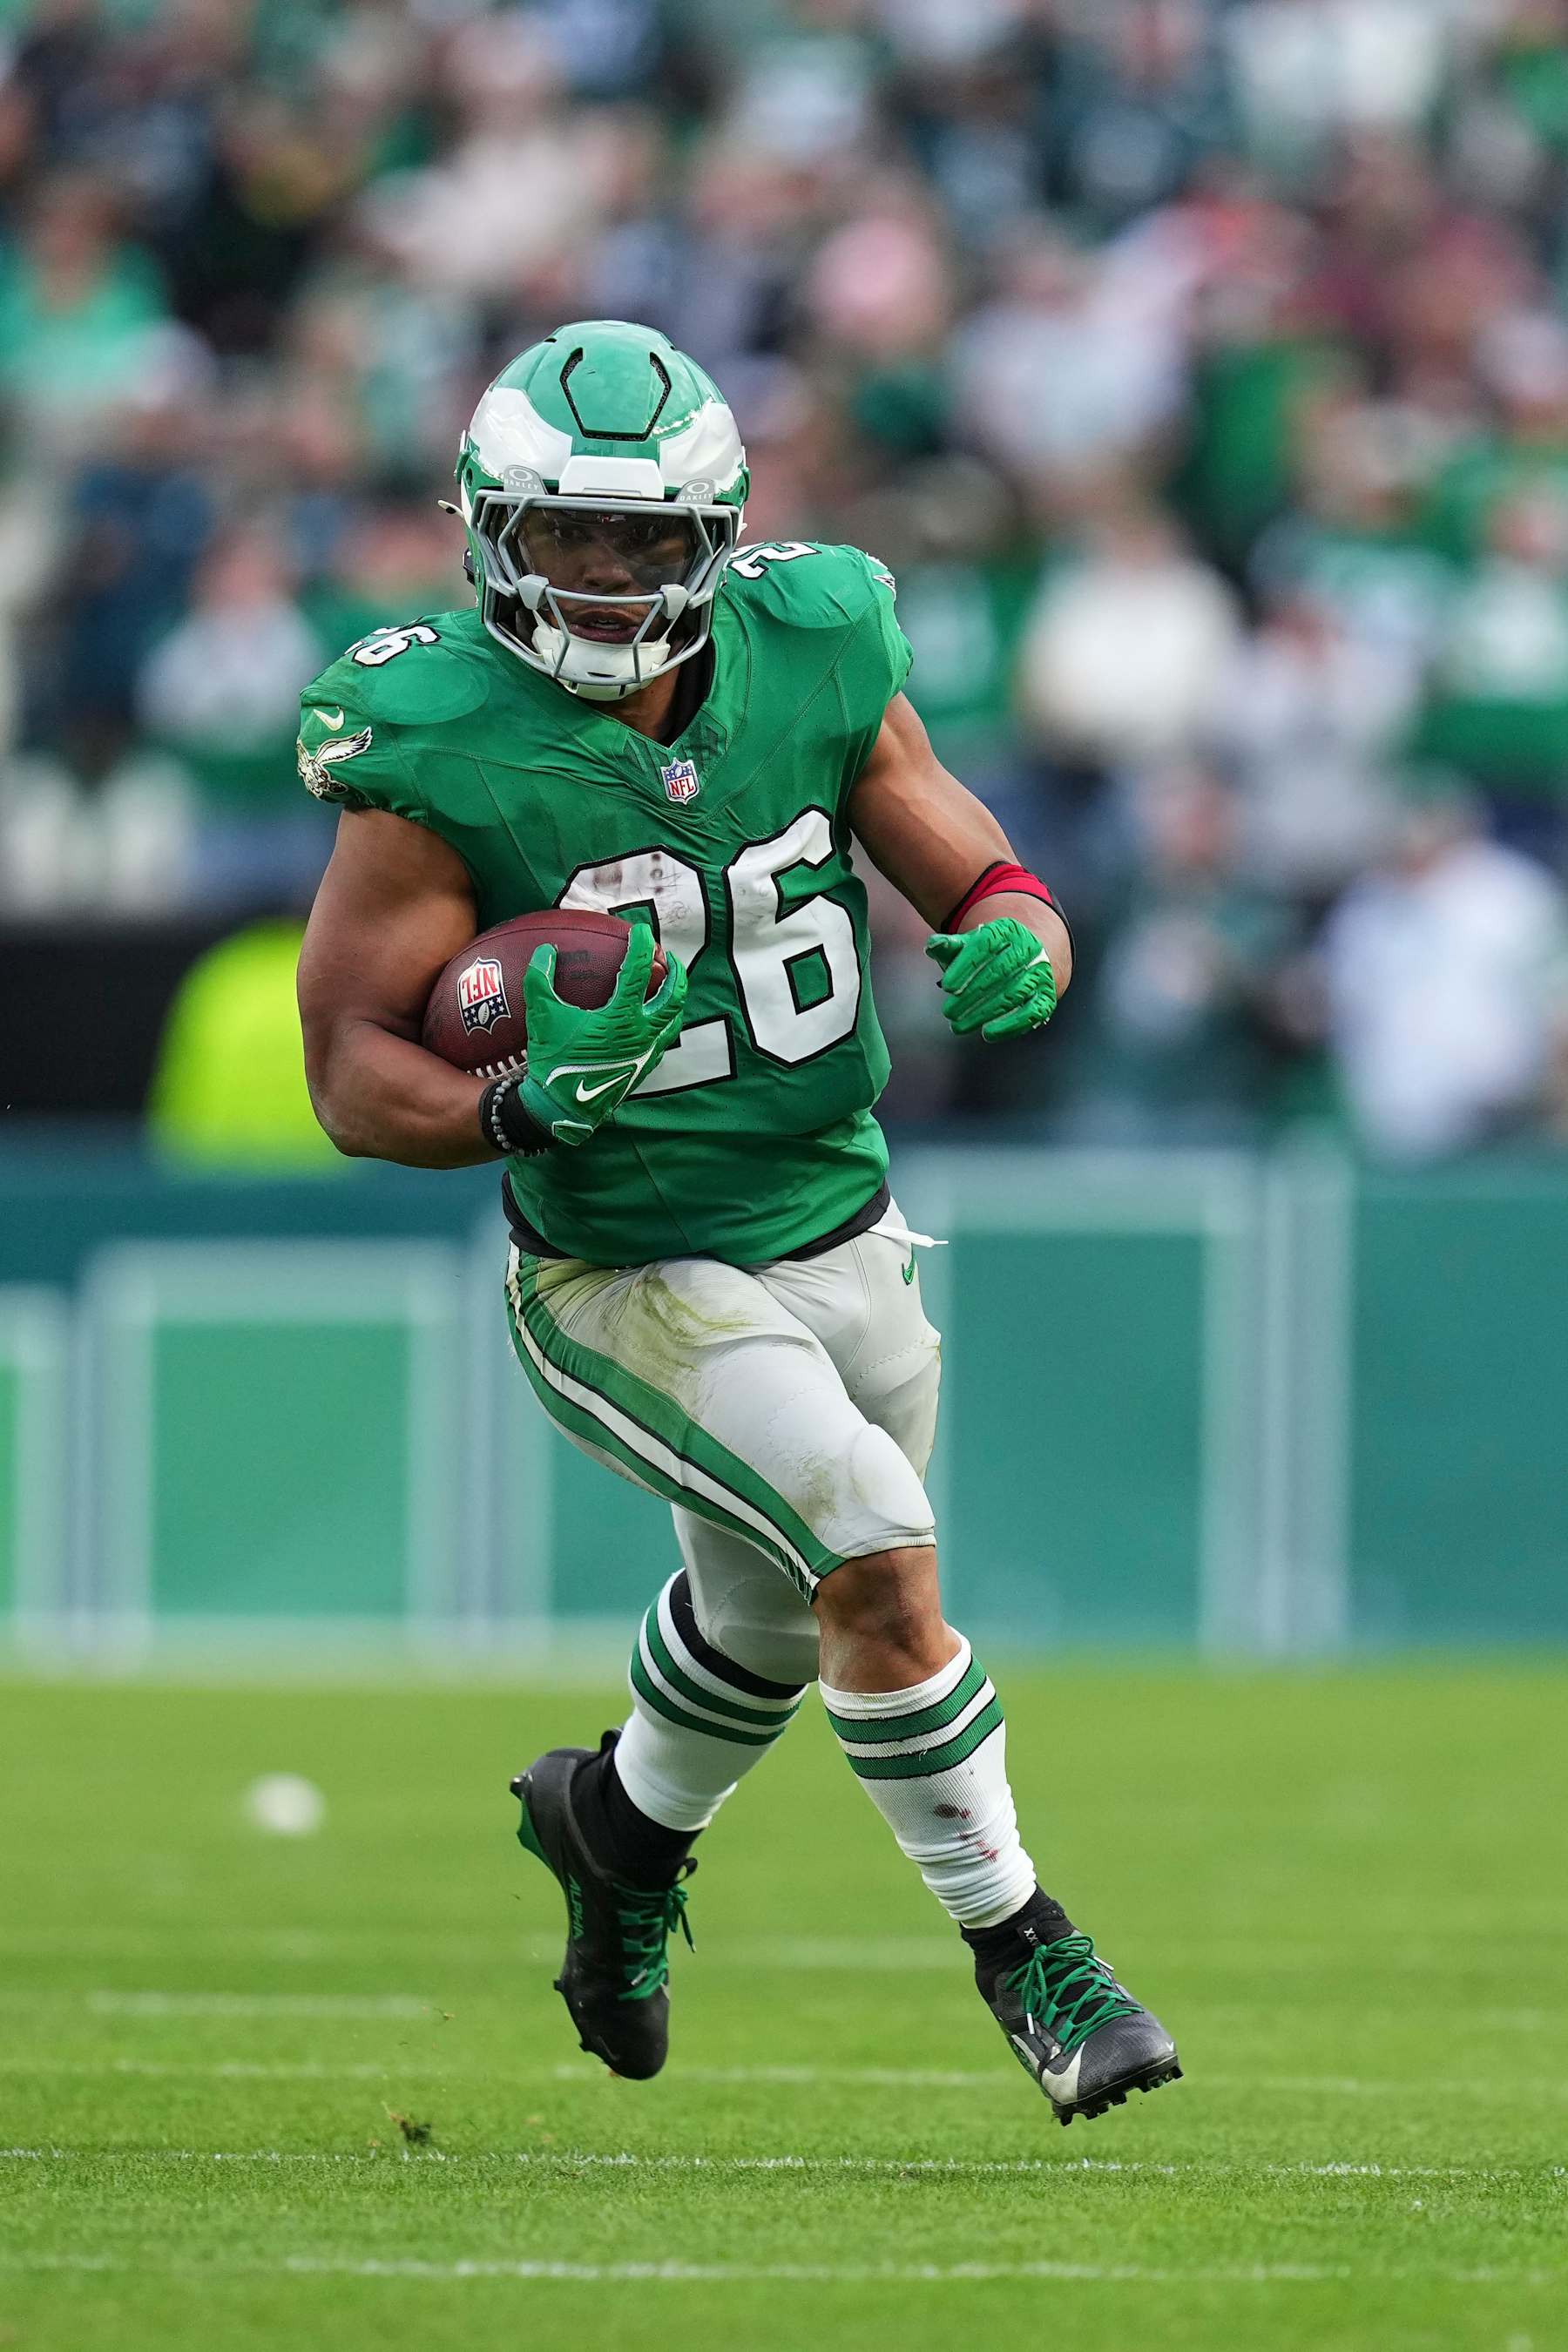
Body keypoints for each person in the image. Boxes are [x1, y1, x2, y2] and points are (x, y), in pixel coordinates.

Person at [296, 321, 1179, 2126]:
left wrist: (1021, 917)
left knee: (779, 1621)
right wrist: (516, 1103)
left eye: (639, 545)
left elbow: (955, 841)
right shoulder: (432, 736)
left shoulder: (821, 637)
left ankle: (613, 1836)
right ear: (485, 533)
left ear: (716, 541)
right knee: (870, 1548)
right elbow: (346, 1072)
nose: (603, 585)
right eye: (561, 539)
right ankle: (1033, 1953)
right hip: (625, 1262)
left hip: (839, 1213)